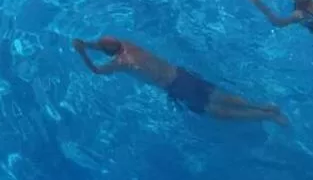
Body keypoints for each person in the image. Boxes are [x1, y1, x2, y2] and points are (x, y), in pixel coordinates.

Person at [72, 36, 286, 125]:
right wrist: (88, 45)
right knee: (221, 95)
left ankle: (267, 117)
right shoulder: (128, 45)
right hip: (182, 74)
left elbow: (97, 71)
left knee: (219, 112)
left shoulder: (121, 63)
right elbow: (106, 46)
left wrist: (83, 53)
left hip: (175, 86)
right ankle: (264, 106)